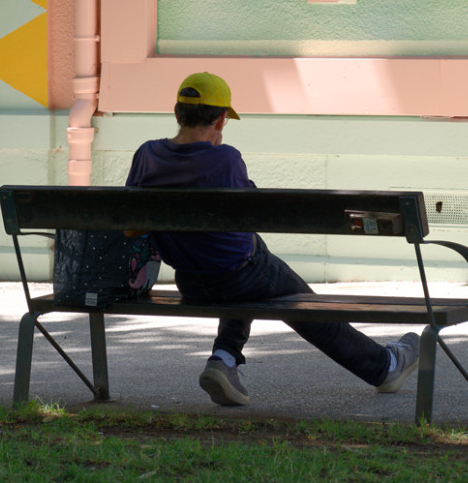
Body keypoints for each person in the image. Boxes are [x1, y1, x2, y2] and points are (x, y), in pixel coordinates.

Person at [125, 72, 420, 407]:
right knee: (298, 300)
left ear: (177, 113)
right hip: (240, 275)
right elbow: (251, 215)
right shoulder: (225, 159)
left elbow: (131, 227)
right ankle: (385, 366)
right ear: (220, 120)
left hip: (190, 281)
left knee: (243, 274)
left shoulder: (147, 154)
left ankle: (224, 358)